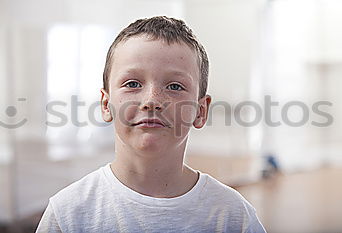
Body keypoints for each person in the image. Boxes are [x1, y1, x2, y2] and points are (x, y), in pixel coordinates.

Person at [36, 16, 266, 233]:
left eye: (174, 86)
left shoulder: (233, 216)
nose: (152, 101)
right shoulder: (68, 213)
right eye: (133, 83)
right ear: (106, 105)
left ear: (200, 111)